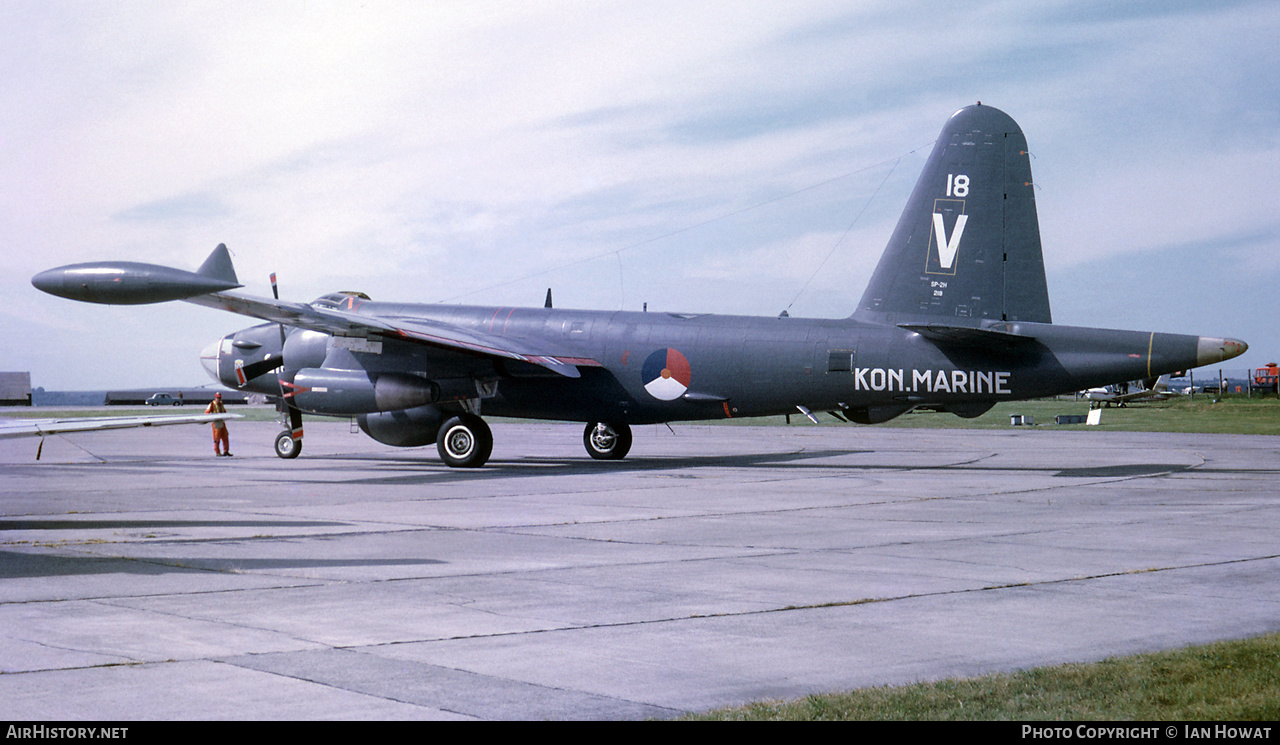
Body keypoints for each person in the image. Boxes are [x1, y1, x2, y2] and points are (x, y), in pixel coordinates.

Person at [205, 392, 232, 457]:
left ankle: (226, 451)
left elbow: (224, 411)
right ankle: (217, 452)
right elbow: (206, 413)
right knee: (217, 438)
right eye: (218, 398)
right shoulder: (211, 404)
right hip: (216, 423)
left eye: (220, 398)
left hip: (222, 422)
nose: (219, 399)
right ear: (215, 398)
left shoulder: (221, 404)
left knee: (225, 436)